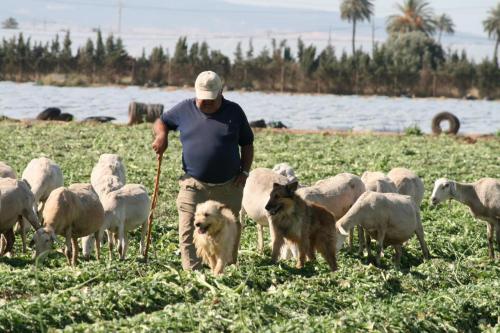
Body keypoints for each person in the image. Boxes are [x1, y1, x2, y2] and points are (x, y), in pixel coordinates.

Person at [152, 71, 254, 270]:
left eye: (211, 99)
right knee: (189, 228)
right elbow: (161, 121)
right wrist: (161, 135)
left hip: (229, 184)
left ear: (220, 92)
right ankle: (193, 272)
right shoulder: (184, 109)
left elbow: (247, 144)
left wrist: (244, 172)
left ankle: (226, 269)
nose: (206, 103)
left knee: (229, 229)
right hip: (194, 184)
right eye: (202, 98)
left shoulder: (234, 112)